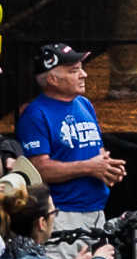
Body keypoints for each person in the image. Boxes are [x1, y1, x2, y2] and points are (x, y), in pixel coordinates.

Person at [10, 53, 117, 242]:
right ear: (52, 79)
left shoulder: (85, 104)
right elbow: (38, 169)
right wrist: (90, 167)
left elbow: (97, 151)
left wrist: (109, 168)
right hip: (62, 216)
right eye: (74, 71)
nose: (84, 74)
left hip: (97, 212)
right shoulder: (35, 114)